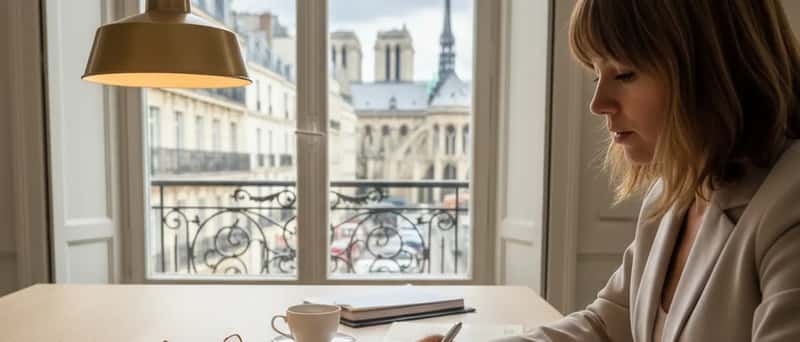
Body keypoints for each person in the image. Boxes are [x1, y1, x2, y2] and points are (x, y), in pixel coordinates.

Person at [486, 0, 800, 341]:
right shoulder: (673, 194)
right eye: (596, 74)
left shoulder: (788, 207)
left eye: (624, 73)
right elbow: (606, 325)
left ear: (713, 67)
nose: (598, 103)